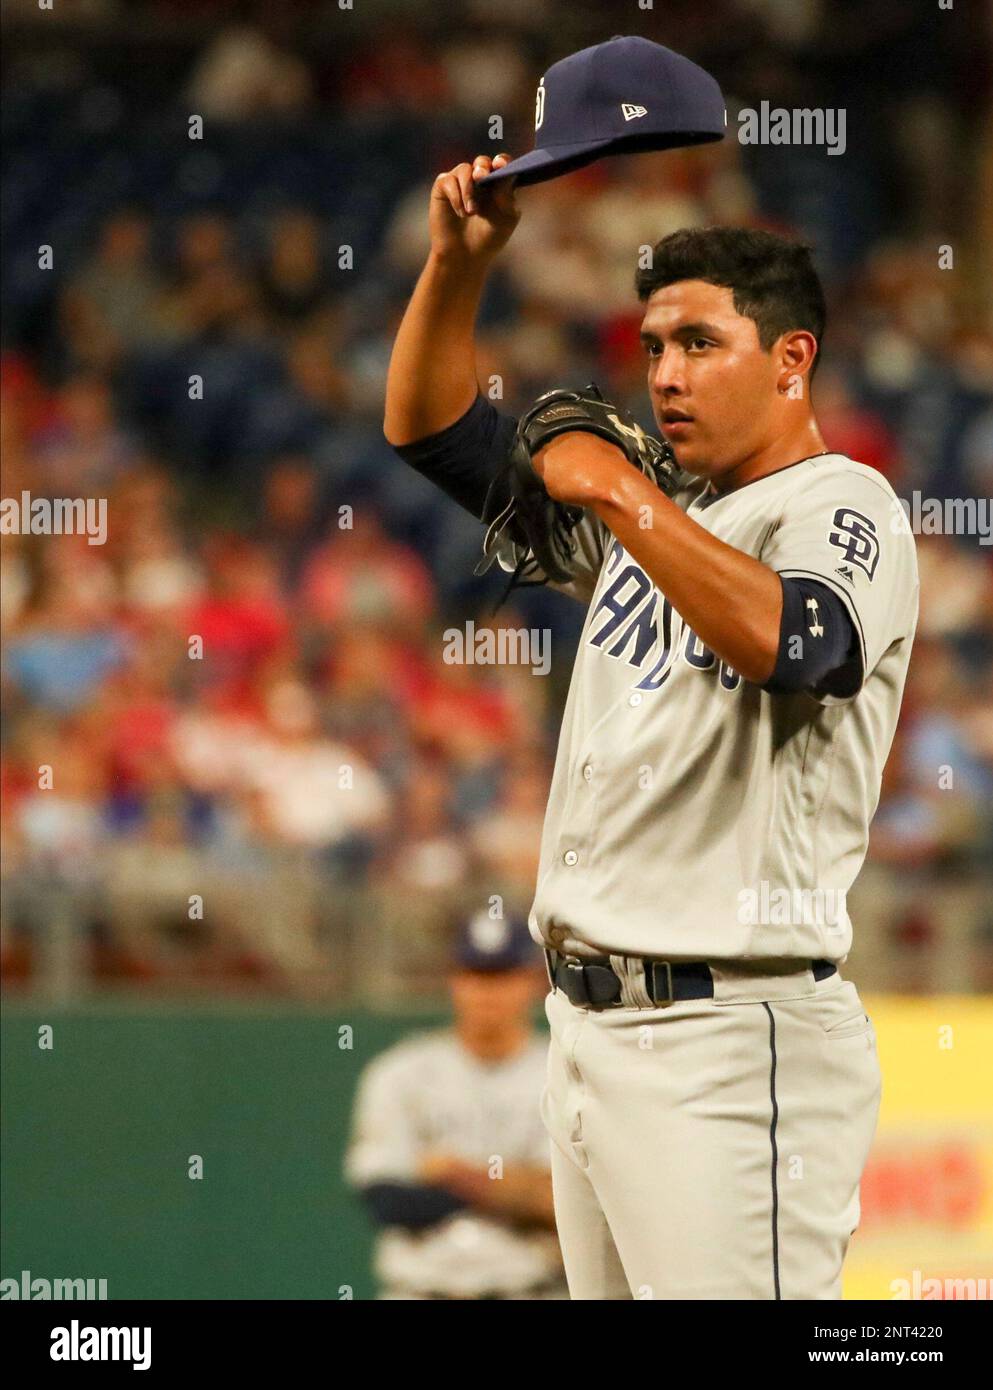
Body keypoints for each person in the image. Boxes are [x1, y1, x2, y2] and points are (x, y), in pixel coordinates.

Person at [381, 147, 919, 1299]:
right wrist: (456, 268)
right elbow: (432, 433)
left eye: (700, 344)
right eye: (655, 348)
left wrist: (623, 495)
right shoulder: (668, 513)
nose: (665, 374)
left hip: (730, 1035)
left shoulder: (843, 501)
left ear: (791, 359)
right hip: (587, 1031)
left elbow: (805, 645)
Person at [345, 911, 566, 1299]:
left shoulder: (563, 1075)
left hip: (530, 1289)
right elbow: (391, 1203)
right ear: (454, 980)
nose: (487, 992)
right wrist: (516, 1190)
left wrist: (453, 1173)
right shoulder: (400, 1073)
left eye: (502, 975)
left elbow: (563, 1206)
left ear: (530, 981)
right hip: (421, 1290)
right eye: (476, 975)